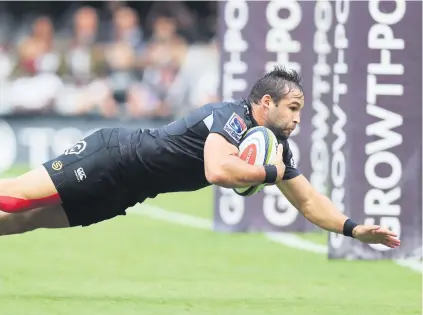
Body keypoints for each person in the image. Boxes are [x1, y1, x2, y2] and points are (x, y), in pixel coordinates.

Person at [0, 66, 400, 249]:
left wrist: (353, 229)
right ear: (266, 102)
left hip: (126, 192)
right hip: (111, 155)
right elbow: (218, 169)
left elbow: (310, 202)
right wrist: (271, 171)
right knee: (16, 198)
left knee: (22, 223)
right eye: (292, 108)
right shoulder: (231, 117)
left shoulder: (274, 146)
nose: (297, 118)